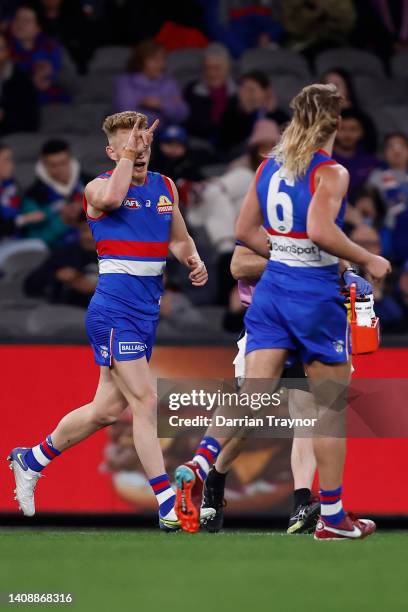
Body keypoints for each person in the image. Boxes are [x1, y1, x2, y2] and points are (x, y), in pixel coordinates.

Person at [174, 84, 391, 539]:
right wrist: (366, 258)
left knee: (253, 394)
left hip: (272, 292)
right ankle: (332, 518)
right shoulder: (331, 172)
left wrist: (286, 252)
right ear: (333, 123)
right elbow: (320, 229)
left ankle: (200, 460)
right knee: (328, 408)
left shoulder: (268, 167)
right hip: (313, 295)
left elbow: (242, 230)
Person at [8, 110, 213, 532]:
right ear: (111, 150)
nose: (139, 150)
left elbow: (177, 235)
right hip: (113, 310)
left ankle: (31, 459)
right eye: (129, 144)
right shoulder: (97, 186)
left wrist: (191, 257)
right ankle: (166, 503)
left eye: (144, 144)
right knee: (144, 402)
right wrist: (126, 157)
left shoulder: (165, 186)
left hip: (145, 312)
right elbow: (113, 200)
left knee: (104, 410)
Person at [20, 139, 90, 248]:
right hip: (56, 252)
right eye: (53, 165)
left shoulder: (92, 183)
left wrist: (87, 207)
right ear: (43, 165)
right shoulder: (34, 196)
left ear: (71, 160)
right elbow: (33, 241)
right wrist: (62, 221)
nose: (60, 169)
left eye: (64, 163)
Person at [24, 216, 98, 308]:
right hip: (64, 314)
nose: (89, 236)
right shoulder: (65, 253)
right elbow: (30, 285)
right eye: (84, 230)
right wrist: (56, 275)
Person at [114, 40, 188, 127]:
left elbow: (182, 113)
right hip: (135, 130)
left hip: (164, 131)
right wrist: (168, 106)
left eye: (163, 59)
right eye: (154, 59)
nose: (161, 64)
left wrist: (161, 104)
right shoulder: (126, 82)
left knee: (175, 133)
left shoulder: (169, 83)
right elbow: (126, 113)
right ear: (141, 61)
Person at [7, 5, 69, 104]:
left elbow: (68, 79)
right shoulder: (5, 49)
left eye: (26, 21)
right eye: (17, 18)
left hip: (53, 103)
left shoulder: (52, 49)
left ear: (39, 27)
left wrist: (51, 78)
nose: (19, 23)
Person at [219, 70, 288, 157]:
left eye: (251, 90)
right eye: (242, 89)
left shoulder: (278, 115)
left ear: (267, 91)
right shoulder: (232, 113)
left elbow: (287, 138)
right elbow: (225, 143)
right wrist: (246, 113)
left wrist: (272, 113)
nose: (245, 94)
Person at [184, 43, 236, 145]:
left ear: (227, 68)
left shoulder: (238, 91)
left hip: (232, 144)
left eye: (217, 68)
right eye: (208, 68)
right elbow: (191, 125)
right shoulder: (192, 90)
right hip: (200, 144)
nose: (211, 73)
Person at [322, 67, 377, 152]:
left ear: (347, 88)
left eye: (336, 85)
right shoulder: (314, 118)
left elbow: (369, 147)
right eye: (326, 85)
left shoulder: (361, 117)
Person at [333, 109, 380, 194]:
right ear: (334, 132)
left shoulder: (371, 162)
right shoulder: (323, 160)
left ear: (362, 132)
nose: (347, 134)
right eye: (342, 129)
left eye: (353, 129)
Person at [0, 32, 39, 135]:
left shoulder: (21, 81)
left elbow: (31, 122)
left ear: (8, 52)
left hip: (11, 137)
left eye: (0, 49)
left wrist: (5, 117)